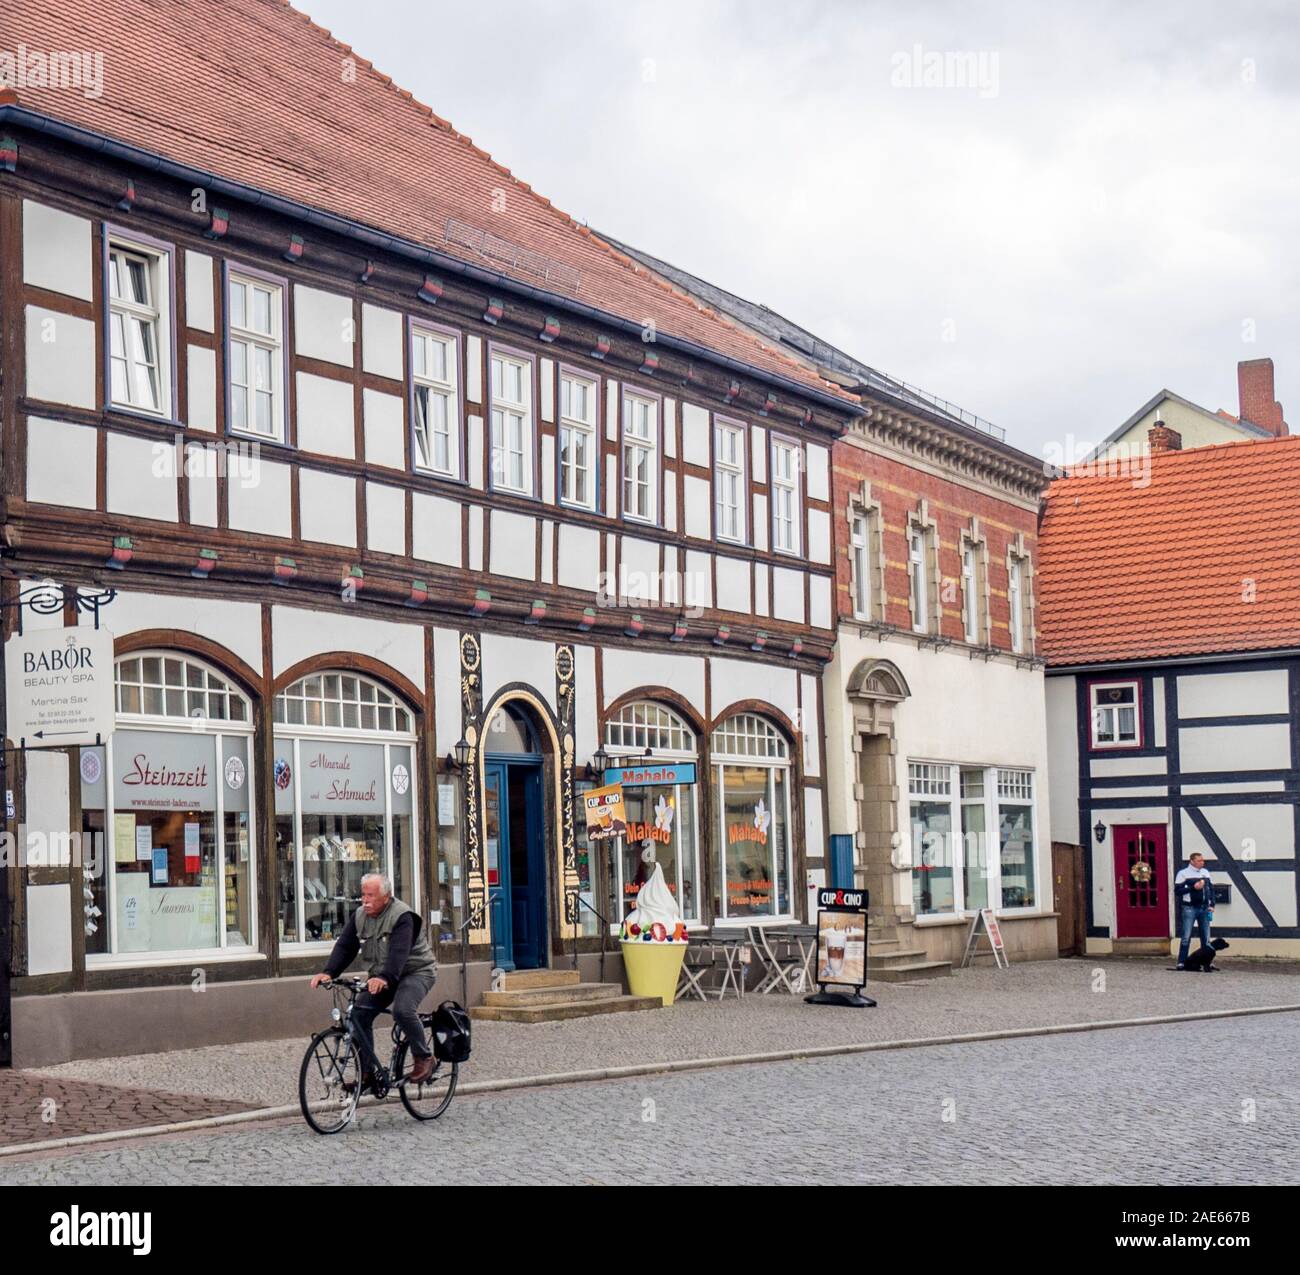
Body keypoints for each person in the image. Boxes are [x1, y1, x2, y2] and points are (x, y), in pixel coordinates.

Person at [310, 873, 438, 1087]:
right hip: (381, 976)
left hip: (416, 972)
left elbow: (399, 952)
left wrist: (385, 977)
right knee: (358, 1015)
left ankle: (424, 1057)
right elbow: (346, 946)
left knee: (403, 1010)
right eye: (363, 895)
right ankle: (367, 1075)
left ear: (386, 897)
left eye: (371, 896)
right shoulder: (360, 915)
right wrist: (329, 972)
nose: (365, 900)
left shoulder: (402, 916)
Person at [1174, 852, 1215, 971]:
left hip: (1204, 907)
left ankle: (1207, 962)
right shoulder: (1183, 873)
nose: (1202, 862)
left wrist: (1212, 904)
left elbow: (1210, 889)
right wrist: (1193, 887)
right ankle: (1181, 961)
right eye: (1199, 861)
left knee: (1206, 937)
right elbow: (1177, 891)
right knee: (1186, 936)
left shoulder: (1205, 872)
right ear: (1192, 861)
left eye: (1203, 860)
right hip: (1189, 908)